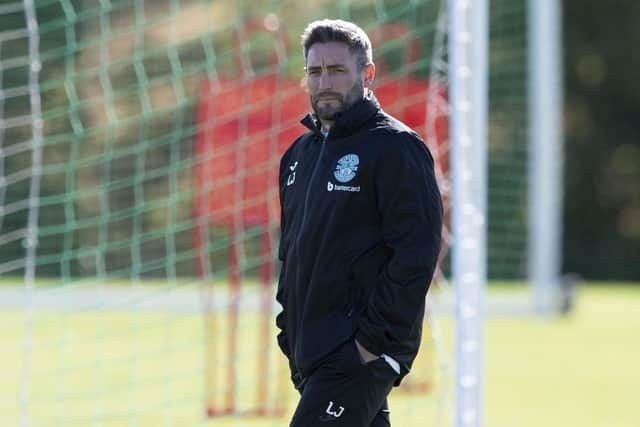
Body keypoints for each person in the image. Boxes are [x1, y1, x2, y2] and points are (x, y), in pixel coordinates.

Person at [276, 19, 443, 427]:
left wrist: (371, 344)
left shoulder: (396, 148)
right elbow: (292, 250)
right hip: (313, 352)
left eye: (337, 70)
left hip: (357, 354)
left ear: (367, 74)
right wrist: (288, 329)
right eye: (315, 72)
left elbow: (417, 255)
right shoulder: (299, 154)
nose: (324, 82)